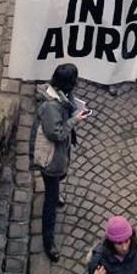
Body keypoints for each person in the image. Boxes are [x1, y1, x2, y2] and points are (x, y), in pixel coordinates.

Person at [33, 64, 88, 262]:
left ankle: (56, 194)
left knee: (61, 176)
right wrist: (74, 121)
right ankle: (49, 240)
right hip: (51, 157)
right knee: (50, 199)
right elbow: (55, 133)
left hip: (60, 153)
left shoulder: (63, 95)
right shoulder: (51, 106)